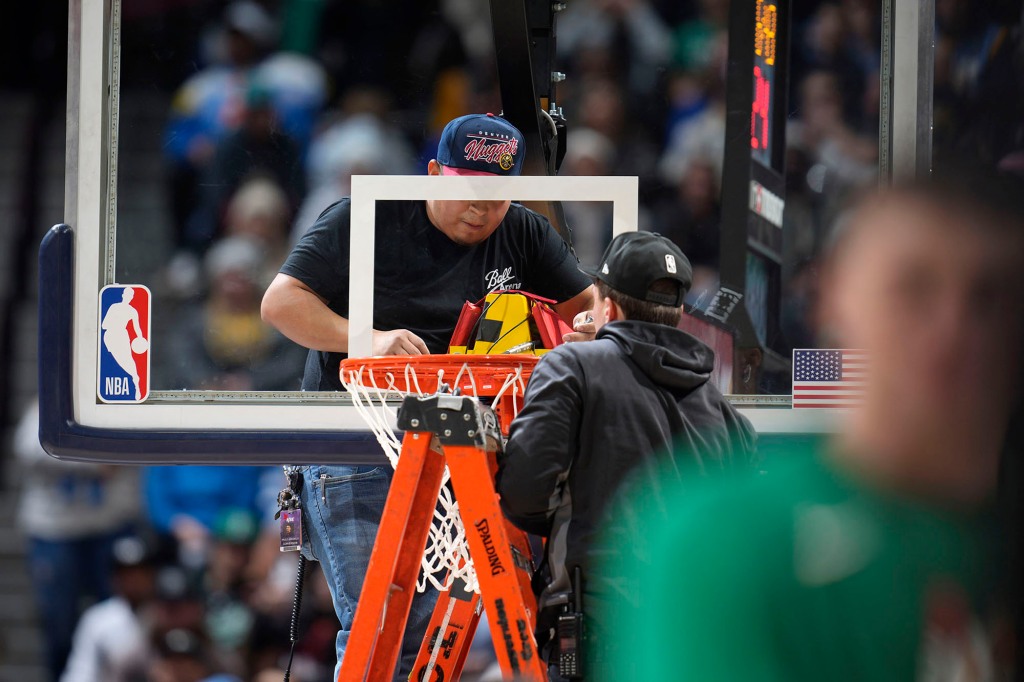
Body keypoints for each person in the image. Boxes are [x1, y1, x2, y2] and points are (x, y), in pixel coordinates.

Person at [597, 168, 1024, 681]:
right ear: (835, 299)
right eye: (914, 288)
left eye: (990, 297)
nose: (952, 329)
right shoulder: (729, 540)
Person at [260, 112, 593, 680]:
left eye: (497, 197)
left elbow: (588, 306)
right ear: (434, 172)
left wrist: (586, 329)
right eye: (466, 191)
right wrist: (365, 337)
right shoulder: (363, 218)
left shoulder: (524, 232)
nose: (481, 210)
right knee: (383, 630)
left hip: (466, 450)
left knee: (447, 638)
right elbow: (279, 304)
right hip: (359, 448)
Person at [495, 231, 757, 680]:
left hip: (602, 628)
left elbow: (523, 494)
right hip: (700, 638)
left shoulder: (572, 365)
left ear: (609, 309)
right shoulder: (728, 415)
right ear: (675, 315)